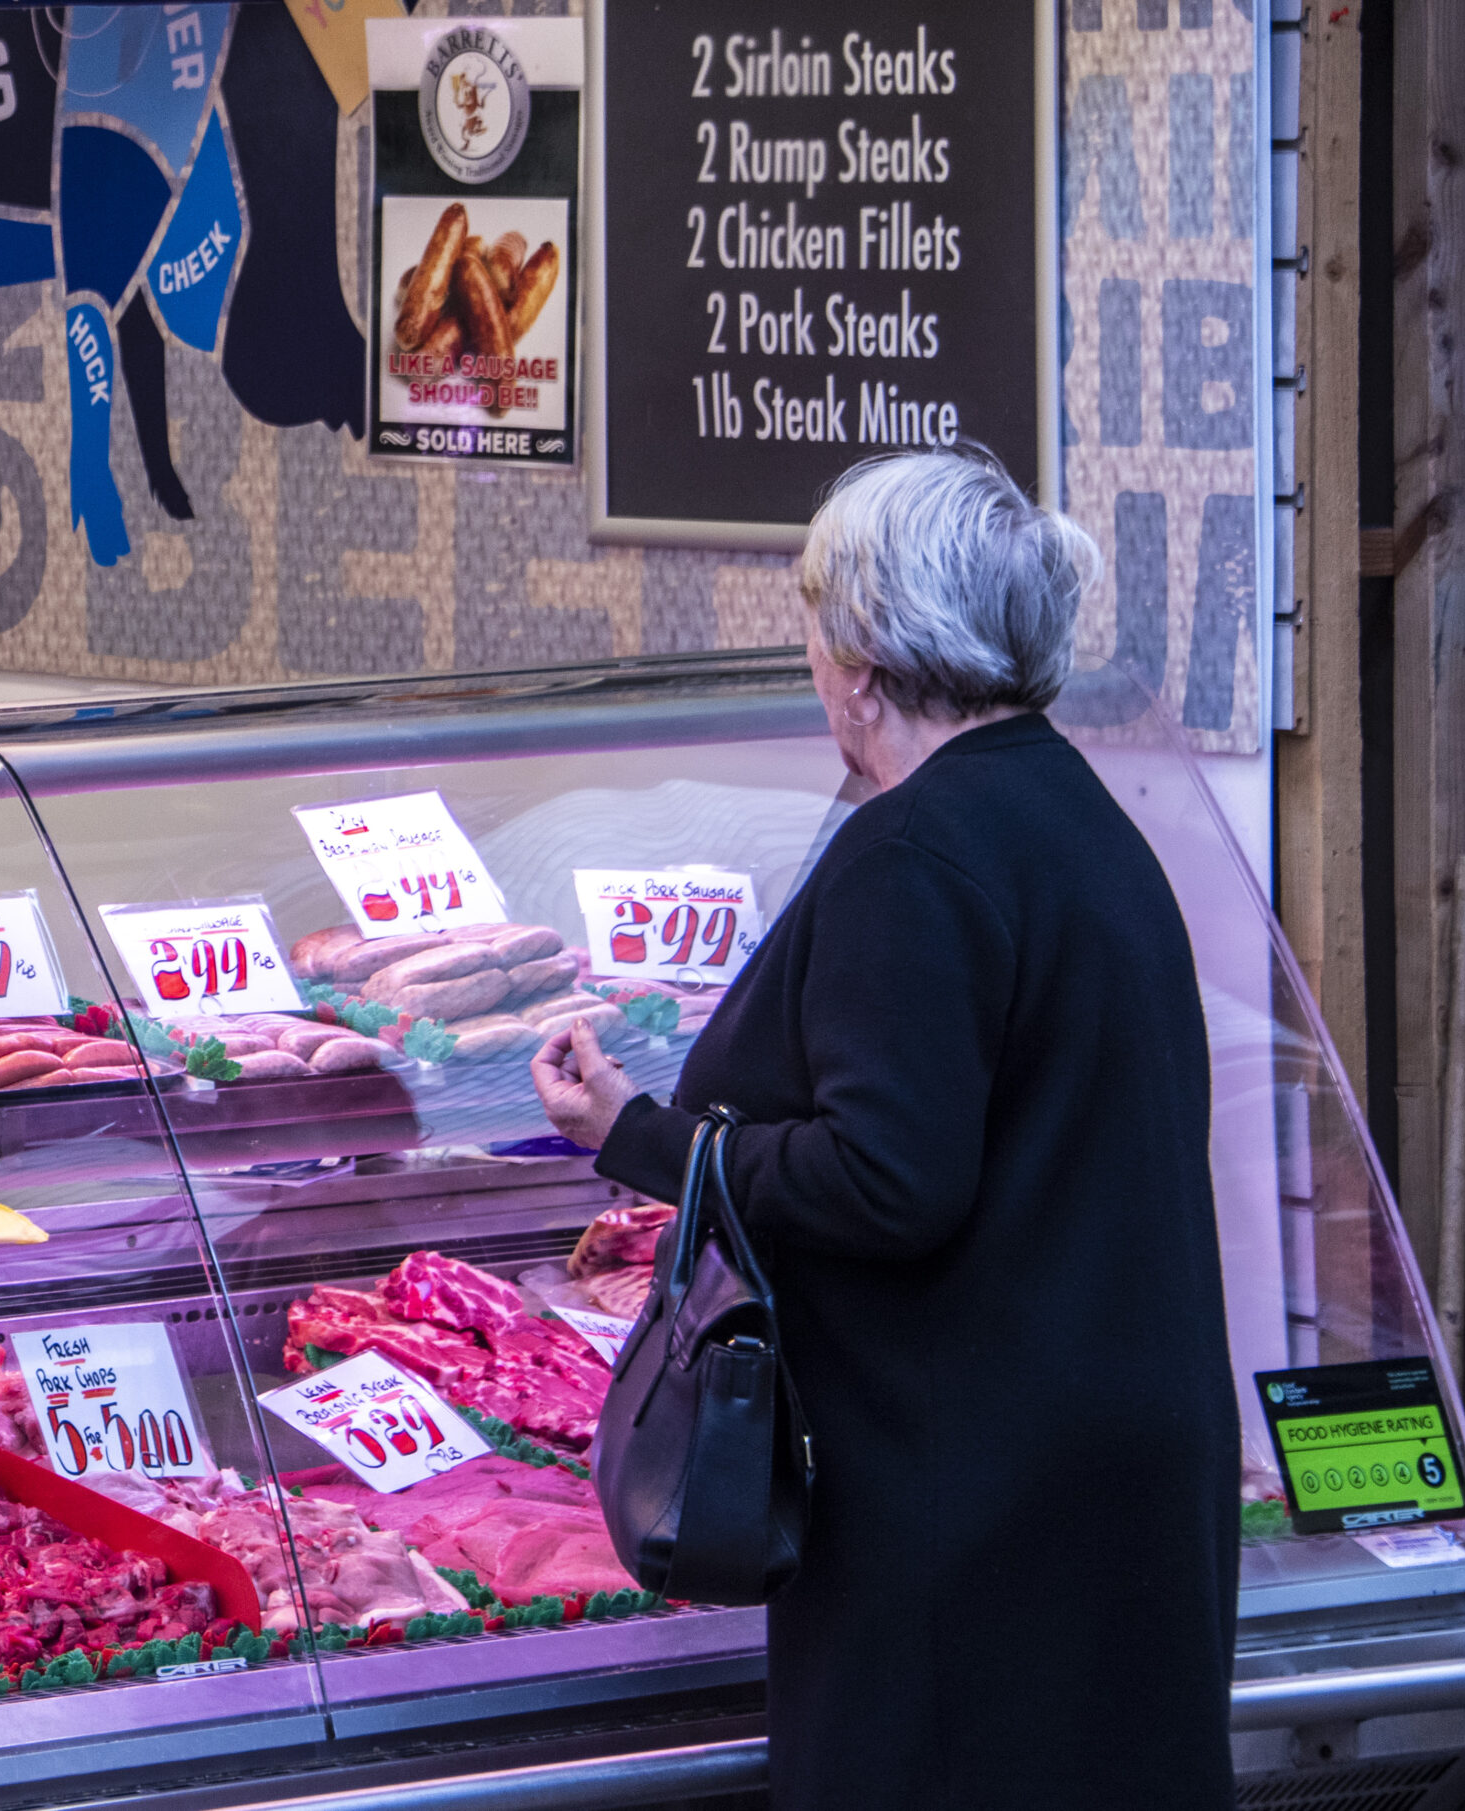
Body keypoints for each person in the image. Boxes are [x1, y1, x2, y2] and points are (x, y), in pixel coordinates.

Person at [532, 449, 1238, 1809]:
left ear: (862, 659)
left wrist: (641, 1132)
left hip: (966, 1513)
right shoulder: (1077, 815)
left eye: (814, 620)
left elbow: (888, 1177)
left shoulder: (912, 854)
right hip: (1110, 1474)